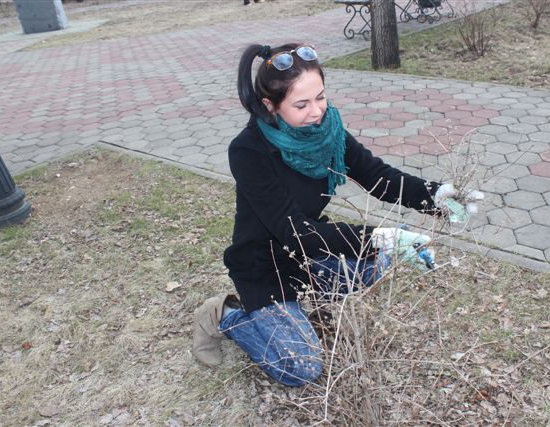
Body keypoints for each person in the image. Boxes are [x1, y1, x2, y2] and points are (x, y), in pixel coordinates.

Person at [192, 43, 477, 387]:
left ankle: (299, 308)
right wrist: (380, 237)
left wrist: (435, 195)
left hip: (310, 252)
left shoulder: (328, 131)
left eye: (321, 97)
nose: (317, 111)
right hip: (264, 265)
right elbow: (296, 232)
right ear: (270, 106)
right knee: (301, 367)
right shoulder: (248, 150)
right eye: (301, 104)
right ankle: (225, 315)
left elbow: (377, 176)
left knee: (377, 267)